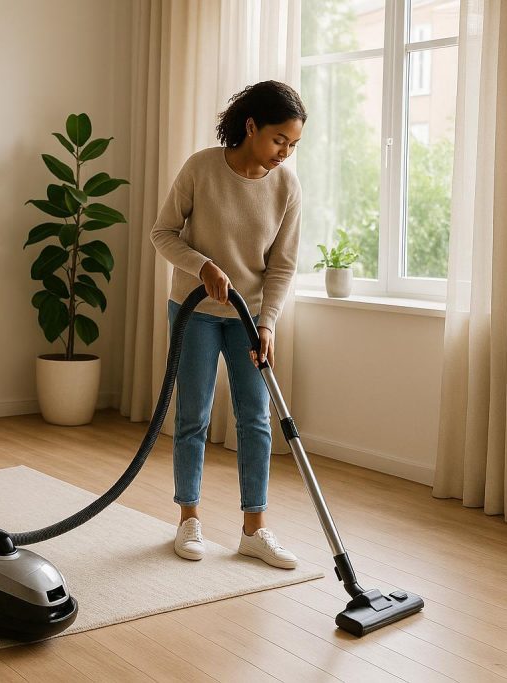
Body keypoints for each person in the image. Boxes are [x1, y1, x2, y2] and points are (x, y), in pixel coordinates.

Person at [150, 80, 305, 569]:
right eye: (279, 139)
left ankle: (254, 529)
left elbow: (281, 265)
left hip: (248, 317)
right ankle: (188, 519)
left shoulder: (287, 187)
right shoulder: (201, 168)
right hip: (194, 311)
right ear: (251, 126)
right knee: (192, 416)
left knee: (255, 419)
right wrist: (202, 266)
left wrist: (268, 324)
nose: (285, 152)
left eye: (294, 144)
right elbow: (163, 233)